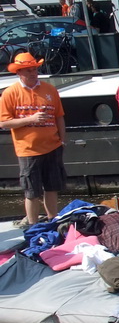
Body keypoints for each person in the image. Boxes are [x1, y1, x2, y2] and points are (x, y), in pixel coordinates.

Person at [0, 52, 67, 228]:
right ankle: (33, 225)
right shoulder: (10, 93)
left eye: (34, 69)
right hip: (28, 150)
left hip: (53, 146)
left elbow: (59, 116)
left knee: (52, 187)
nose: (32, 73)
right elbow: (4, 123)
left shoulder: (50, 90)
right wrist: (30, 120)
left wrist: (63, 139)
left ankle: (54, 220)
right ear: (18, 73)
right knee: (32, 191)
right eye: (28, 70)